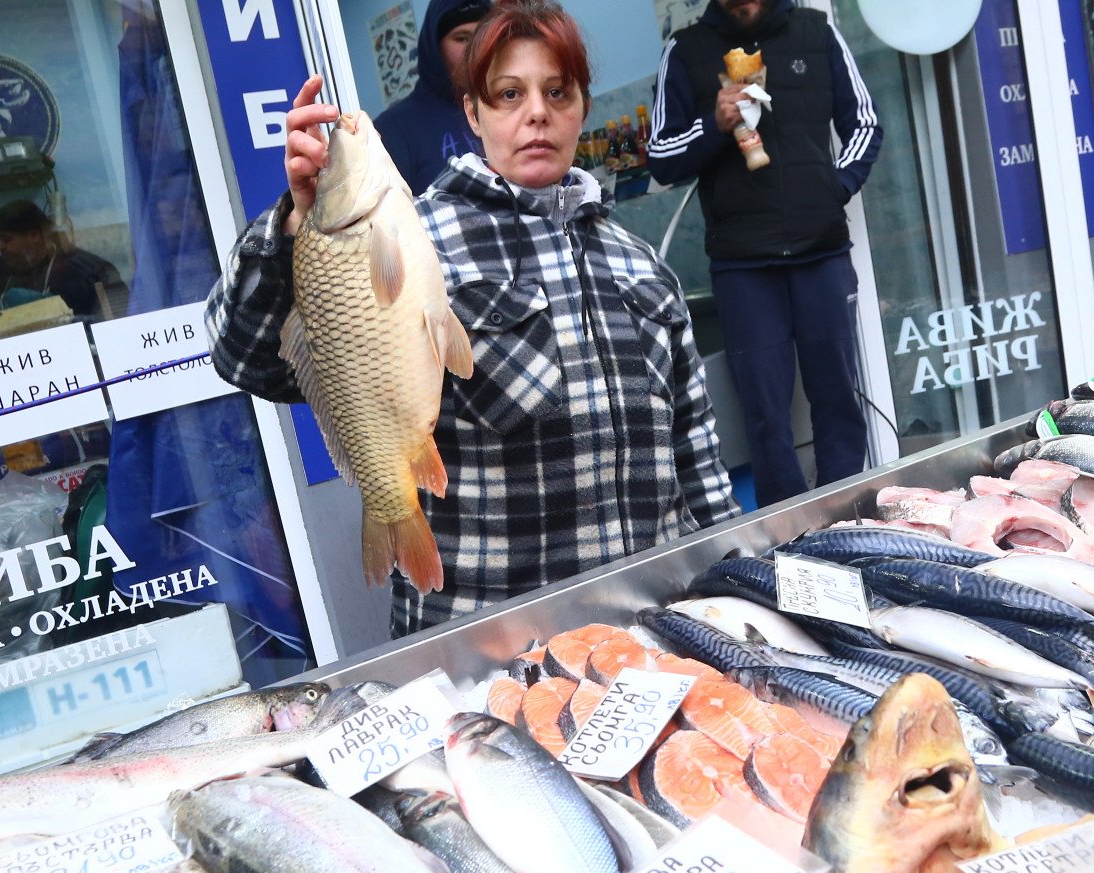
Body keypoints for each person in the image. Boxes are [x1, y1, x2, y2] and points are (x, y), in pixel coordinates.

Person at [207, 0, 740, 637]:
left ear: (582, 107)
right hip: (494, 652)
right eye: (508, 94)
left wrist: (731, 591)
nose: (536, 113)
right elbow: (244, 357)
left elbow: (699, 466)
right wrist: (295, 226)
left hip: (649, 640)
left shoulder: (641, 265)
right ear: (473, 113)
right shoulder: (408, 242)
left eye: (557, 92)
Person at [646, 0, 880, 506]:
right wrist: (714, 122)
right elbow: (660, 156)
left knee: (838, 396)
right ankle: (787, 531)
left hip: (821, 252)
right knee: (766, 415)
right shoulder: (685, 51)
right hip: (743, 265)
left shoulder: (815, 31)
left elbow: (864, 122)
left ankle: (849, 515)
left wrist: (833, 187)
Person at [375, 0, 489, 193]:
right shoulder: (393, 129)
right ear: (435, 47)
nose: (474, 50)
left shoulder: (507, 110)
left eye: (483, 39)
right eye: (462, 39)